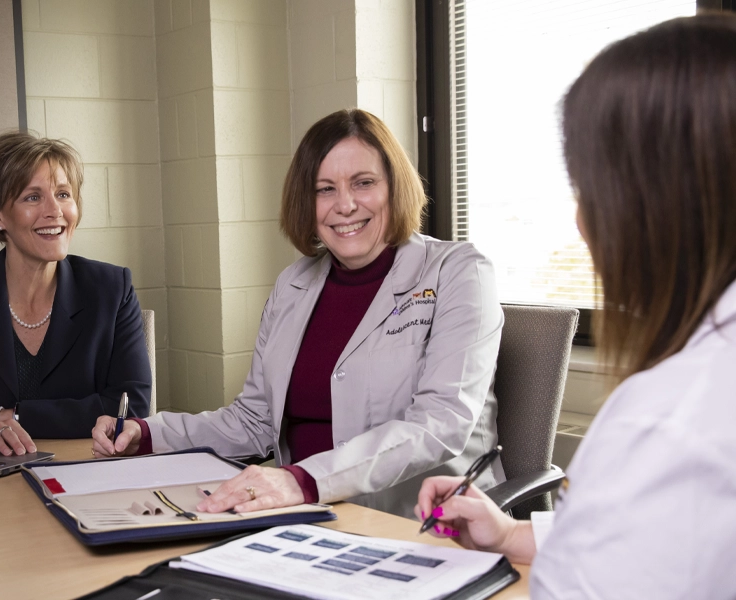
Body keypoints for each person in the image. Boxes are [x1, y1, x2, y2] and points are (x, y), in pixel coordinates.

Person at [414, 14, 736, 596]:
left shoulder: (671, 419)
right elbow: (662, 541)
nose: (583, 224)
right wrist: (512, 535)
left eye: (589, 188)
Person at [92, 109, 504, 518]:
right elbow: (253, 422)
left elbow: (439, 423)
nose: (344, 205)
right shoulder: (294, 285)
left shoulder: (459, 272)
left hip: (421, 523)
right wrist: (148, 434)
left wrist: (301, 480)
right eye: (325, 189)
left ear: (394, 187)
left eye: (363, 183)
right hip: (304, 515)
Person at [0, 131, 152, 457]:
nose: (55, 211)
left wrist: (10, 416)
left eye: (64, 194)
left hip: (84, 472)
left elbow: (129, 406)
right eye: (33, 197)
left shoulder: (112, 288)